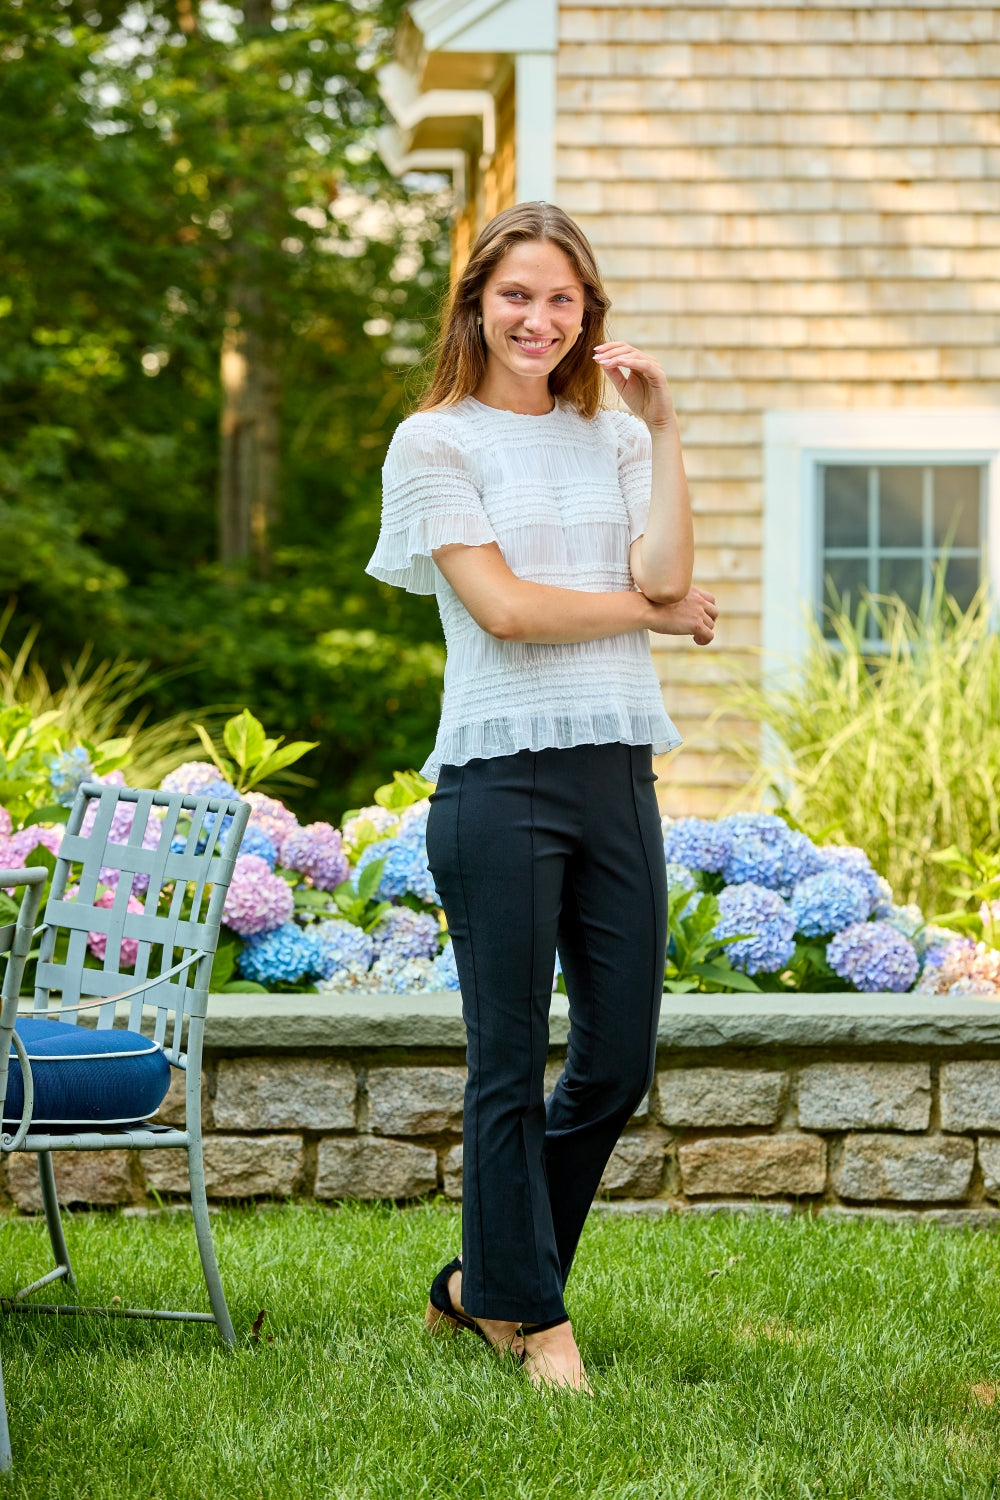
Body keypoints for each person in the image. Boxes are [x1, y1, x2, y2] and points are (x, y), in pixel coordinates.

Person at [366, 202, 718, 1391]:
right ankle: (536, 1317)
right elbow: (507, 612)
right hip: (498, 776)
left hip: (616, 766)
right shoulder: (435, 445)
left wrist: (662, 432)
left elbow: (663, 570)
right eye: (518, 294)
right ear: (475, 303)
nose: (540, 318)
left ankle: (480, 1285)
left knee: (615, 1061)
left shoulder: (613, 440)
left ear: (587, 313)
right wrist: (654, 616)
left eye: (562, 299)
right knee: (508, 1061)